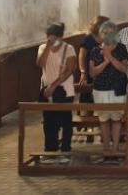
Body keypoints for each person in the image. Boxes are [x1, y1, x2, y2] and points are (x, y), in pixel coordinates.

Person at [36, 23, 77, 164]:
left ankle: (66, 150)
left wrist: (54, 86)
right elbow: (40, 64)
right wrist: (47, 47)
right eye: (49, 37)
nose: (52, 40)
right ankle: (50, 150)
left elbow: (70, 70)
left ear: (61, 36)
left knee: (65, 120)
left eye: (54, 37)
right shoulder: (43, 48)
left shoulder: (69, 48)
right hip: (46, 89)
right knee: (49, 121)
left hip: (64, 89)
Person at [89, 21, 128, 157]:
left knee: (116, 119)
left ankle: (115, 148)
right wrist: (105, 62)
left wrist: (110, 57)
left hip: (117, 88)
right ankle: (106, 148)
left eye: (110, 33)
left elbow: (124, 69)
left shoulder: (121, 48)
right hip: (100, 89)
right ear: (100, 34)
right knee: (104, 120)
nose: (107, 35)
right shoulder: (95, 50)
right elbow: (93, 73)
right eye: (104, 33)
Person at [78, 16, 109, 138]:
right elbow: (82, 55)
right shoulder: (88, 39)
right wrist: (83, 72)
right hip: (89, 73)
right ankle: (87, 127)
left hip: (104, 73)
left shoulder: (108, 38)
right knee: (86, 100)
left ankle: (104, 130)